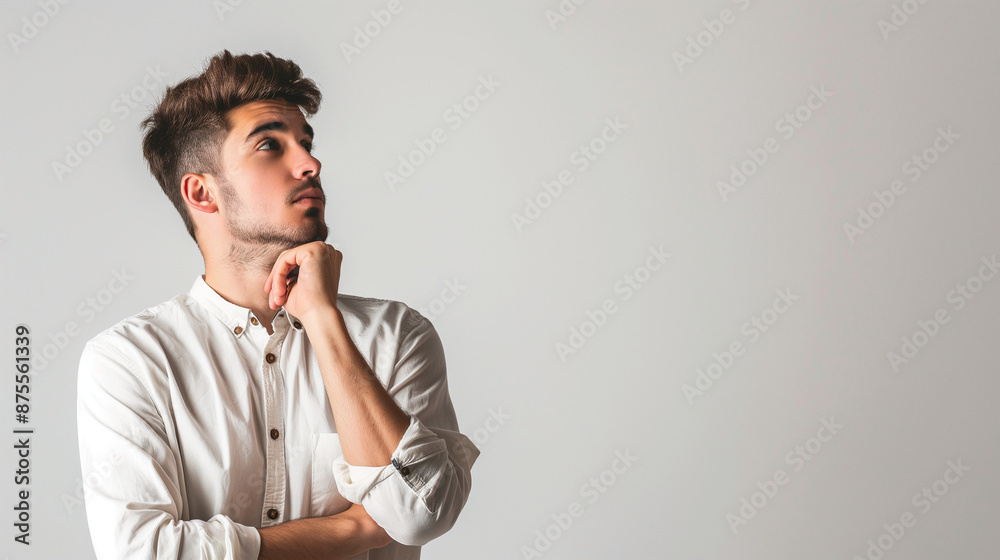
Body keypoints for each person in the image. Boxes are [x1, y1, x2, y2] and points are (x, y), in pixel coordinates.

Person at [76, 50, 479, 560]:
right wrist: (354, 530)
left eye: (306, 143)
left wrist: (322, 319)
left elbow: (420, 513)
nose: (310, 163)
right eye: (270, 145)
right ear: (202, 193)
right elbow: (146, 554)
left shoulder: (395, 335)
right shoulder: (130, 360)